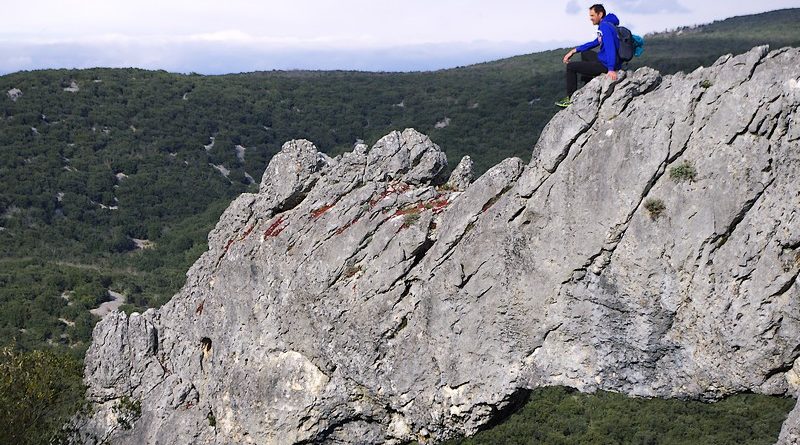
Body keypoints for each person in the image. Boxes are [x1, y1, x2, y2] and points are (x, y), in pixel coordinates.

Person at [556, 4, 621, 108]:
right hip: (605, 60)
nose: (590, 18)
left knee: (571, 67)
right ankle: (588, 83)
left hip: (605, 64)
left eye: (592, 15)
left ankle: (570, 98)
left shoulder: (605, 27)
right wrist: (574, 50)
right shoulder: (607, 24)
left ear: (600, 14)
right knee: (585, 53)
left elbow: (610, 47)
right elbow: (595, 42)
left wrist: (611, 69)